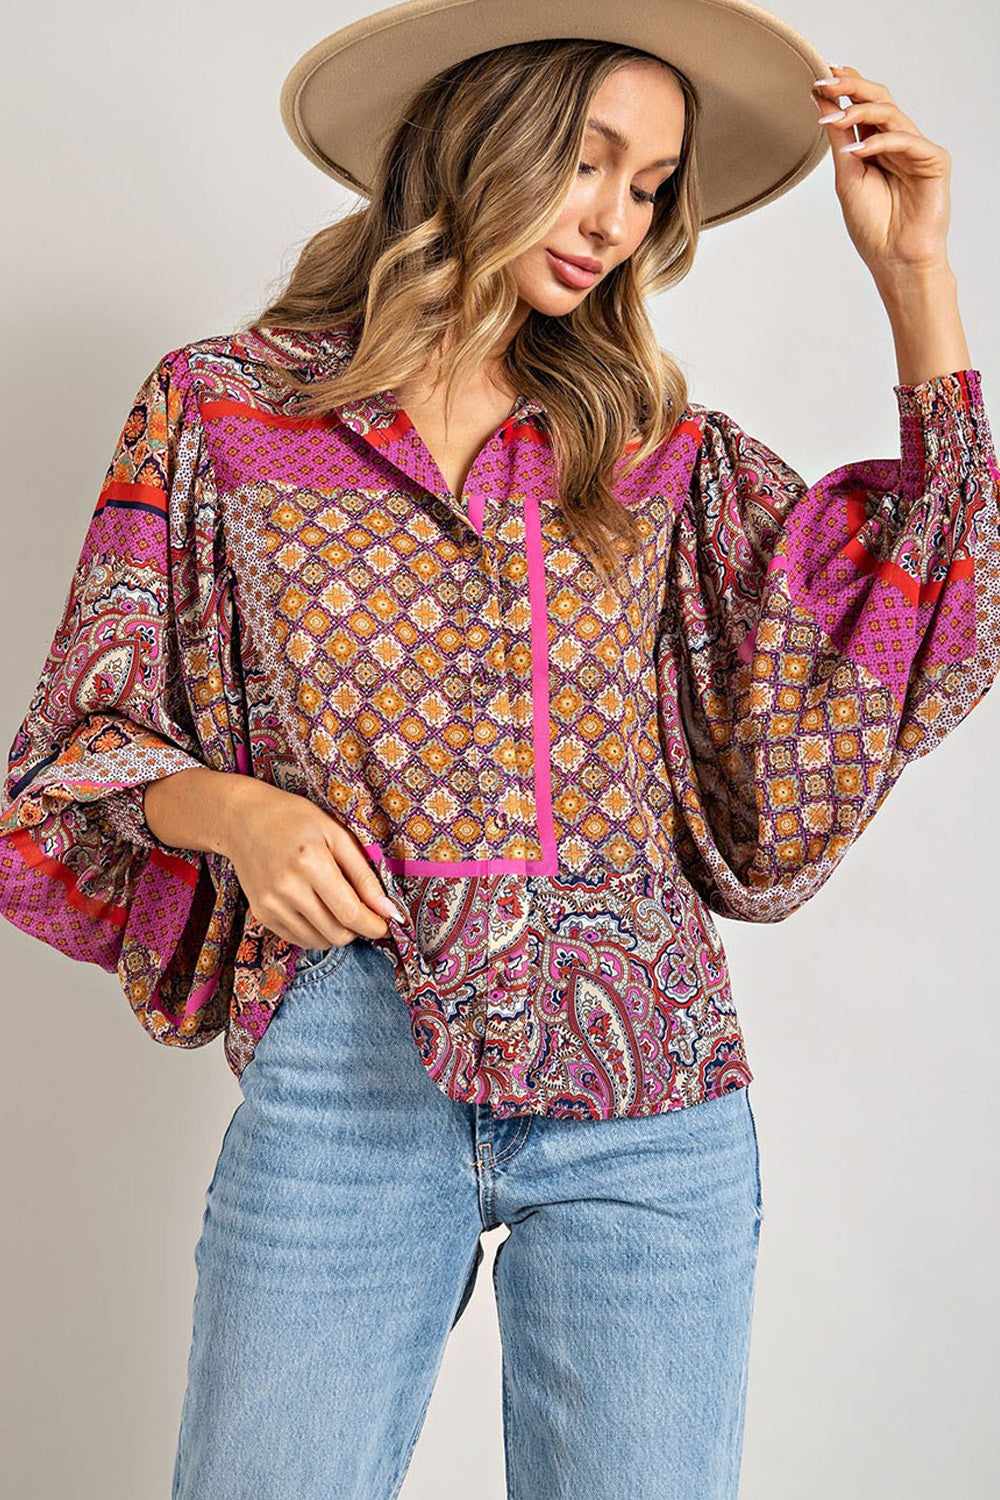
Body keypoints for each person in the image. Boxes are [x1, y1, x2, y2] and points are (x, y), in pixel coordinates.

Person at [1, 3, 996, 1496]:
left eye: (651, 185)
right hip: (351, 1061)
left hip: (650, 1086)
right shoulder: (222, 410)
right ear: (478, 136)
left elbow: (933, 602)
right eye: (587, 160)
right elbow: (83, 733)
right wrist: (236, 813)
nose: (615, 219)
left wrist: (915, 275)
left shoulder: (655, 449)